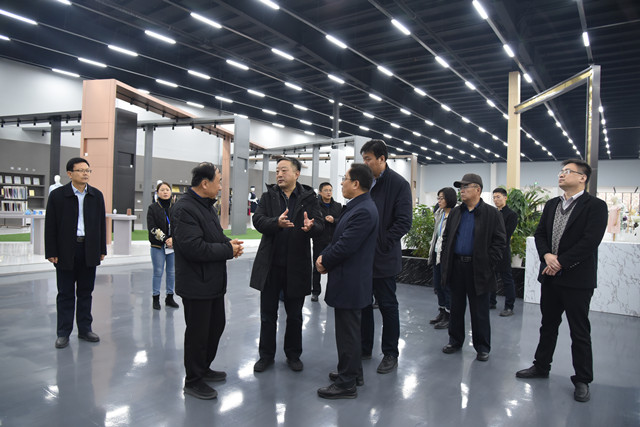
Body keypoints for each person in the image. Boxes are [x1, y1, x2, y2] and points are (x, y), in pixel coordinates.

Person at [516, 159, 608, 403]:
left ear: (582, 178)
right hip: (550, 278)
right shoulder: (552, 204)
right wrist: (547, 256)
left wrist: (560, 262)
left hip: (577, 280)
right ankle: (541, 366)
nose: (561, 175)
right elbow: (540, 234)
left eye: (567, 171)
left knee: (579, 331)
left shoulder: (595, 206)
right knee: (547, 325)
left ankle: (582, 379)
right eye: (561, 171)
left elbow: (590, 241)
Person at [172, 162, 244, 400]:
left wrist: (228, 242)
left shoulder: (206, 206)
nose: (221, 187)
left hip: (212, 281)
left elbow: (214, 236)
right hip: (196, 283)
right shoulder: (185, 209)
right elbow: (193, 247)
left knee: (215, 327)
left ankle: (203, 367)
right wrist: (227, 250)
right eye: (219, 182)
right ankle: (193, 380)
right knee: (198, 334)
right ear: (205, 183)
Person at [250, 157, 323, 373]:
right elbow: (258, 220)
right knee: (267, 315)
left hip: (297, 266)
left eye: (284, 170)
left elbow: (319, 224)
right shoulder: (268, 196)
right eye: (277, 171)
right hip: (271, 265)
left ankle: (293, 355)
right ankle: (266, 356)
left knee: (295, 316)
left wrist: (312, 226)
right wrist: (276, 222)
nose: (279, 175)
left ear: (297, 174)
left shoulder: (309, 198)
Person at [315, 164, 378, 399]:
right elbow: (338, 238)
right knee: (350, 331)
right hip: (348, 278)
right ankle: (353, 373)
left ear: (356, 184)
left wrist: (324, 260)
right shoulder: (357, 207)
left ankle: (346, 384)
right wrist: (325, 257)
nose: (341, 183)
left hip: (351, 280)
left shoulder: (363, 210)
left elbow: (345, 245)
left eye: (345, 179)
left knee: (347, 333)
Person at [360, 139, 412, 374]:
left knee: (388, 305)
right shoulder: (364, 182)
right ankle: (364, 348)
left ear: (382, 159)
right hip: (362, 257)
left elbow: (404, 221)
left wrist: (381, 243)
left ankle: (390, 353)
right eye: (363, 159)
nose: (365, 163)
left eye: (368, 159)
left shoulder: (398, 184)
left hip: (383, 258)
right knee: (363, 304)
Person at [440, 173, 506, 362]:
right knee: (456, 307)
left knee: (480, 311)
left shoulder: (491, 214)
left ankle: (482, 347)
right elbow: (447, 238)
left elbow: (500, 242)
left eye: (465, 187)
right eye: (460, 188)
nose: (461, 191)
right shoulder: (456, 213)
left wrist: (488, 263)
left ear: (478, 190)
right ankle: (455, 341)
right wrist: (446, 258)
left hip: (479, 268)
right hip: (456, 267)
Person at [45, 157, 106, 349]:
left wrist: (101, 249)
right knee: (65, 293)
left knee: (86, 292)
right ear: (70, 174)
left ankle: (85, 329)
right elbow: (50, 225)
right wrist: (51, 251)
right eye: (81, 170)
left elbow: (101, 225)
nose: (85, 174)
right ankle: (63, 333)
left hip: (89, 249)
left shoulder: (96, 195)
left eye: (88, 170)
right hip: (65, 250)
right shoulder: (58, 196)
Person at [427, 187, 457, 330]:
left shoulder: (456, 215)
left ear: (449, 198)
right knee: (438, 286)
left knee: (447, 287)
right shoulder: (439, 213)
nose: (439, 201)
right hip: (436, 253)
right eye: (438, 198)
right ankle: (442, 311)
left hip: (447, 257)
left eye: (442, 198)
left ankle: (449, 316)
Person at [147, 181, 179, 310]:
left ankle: (170, 297)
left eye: (167, 189)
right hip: (158, 246)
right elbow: (152, 227)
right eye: (162, 190)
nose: (165, 192)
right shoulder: (153, 208)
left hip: (173, 246)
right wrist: (166, 239)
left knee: (171, 272)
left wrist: (173, 239)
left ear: (170, 192)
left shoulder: (176, 207)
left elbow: (180, 225)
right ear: (157, 193)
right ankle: (156, 298)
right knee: (158, 272)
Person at [311, 182, 342, 302]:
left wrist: (334, 220)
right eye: (326, 190)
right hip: (319, 240)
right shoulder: (315, 206)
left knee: (333, 268)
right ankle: (315, 292)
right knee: (317, 267)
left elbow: (342, 221)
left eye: (330, 190)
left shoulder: (338, 206)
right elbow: (313, 221)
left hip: (334, 242)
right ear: (320, 192)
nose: (329, 192)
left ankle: (333, 291)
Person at [490, 187, 519, 316]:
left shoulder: (511, 215)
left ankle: (509, 306)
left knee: (507, 279)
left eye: (498, 197)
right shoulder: (492, 213)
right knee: (491, 278)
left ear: (505, 198)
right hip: (491, 250)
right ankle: (491, 302)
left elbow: (506, 234)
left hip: (503, 250)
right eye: (494, 197)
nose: (496, 200)